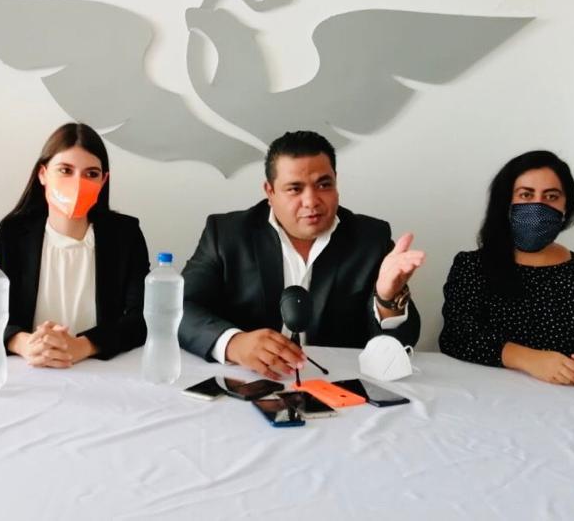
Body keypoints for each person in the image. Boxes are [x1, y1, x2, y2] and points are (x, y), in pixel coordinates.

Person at [179, 130, 423, 379]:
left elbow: (401, 345)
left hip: (337, 383)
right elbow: (177, 307)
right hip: (248, 380)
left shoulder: (370, 239)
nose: (311, 201)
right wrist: (233, 343)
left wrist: (386, 300)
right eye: (295, 189)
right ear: (270, 192)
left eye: (324, 185)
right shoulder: (227, 235)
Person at [438, 150, 574, 385]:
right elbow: (456, 335)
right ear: (505, 202)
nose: (538, 206)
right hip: (491, 396)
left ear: (566, 206)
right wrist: (529, 359)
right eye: (526, 195)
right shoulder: (473, 267)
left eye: (551, 196)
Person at [0, 123, 149, 366]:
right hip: (27, 370)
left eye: (91, 174)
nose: (78, 183)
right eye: (65, 170)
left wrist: (83, 346)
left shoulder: (125, 235)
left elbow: (143, 318)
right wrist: (21, 342)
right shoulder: (13, 235)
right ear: (43, 174)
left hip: (100, 371)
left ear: (103, 181)